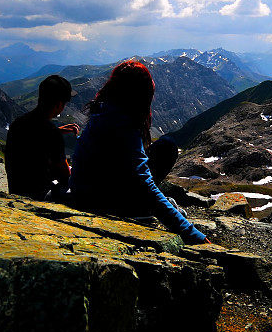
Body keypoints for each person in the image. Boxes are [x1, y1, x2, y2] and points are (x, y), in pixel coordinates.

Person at [69, 60, 208, 245]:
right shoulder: (121, 124)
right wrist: (188, 231)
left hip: (84, 194)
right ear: (139, 95)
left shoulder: (104, 111)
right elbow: (143, 182)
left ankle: (139, 208)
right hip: (104, 203)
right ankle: (139, 211)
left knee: (165, 146)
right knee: (167, 147)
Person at [5, 75, 80, 200]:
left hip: (16, 190)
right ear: (59, 104)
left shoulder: (18, 123)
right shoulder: (51, 133)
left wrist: (57, 131)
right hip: (40, 196)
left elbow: (33, 137)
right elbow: (64, 174)